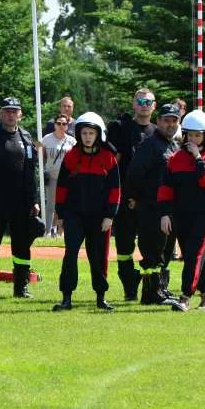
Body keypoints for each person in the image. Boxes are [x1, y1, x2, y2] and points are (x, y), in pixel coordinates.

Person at [0, 97, 41, 299]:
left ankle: (21, 287)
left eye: (14, 111)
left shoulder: (27, 138)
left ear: (20, 114)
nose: (11, 115)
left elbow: (32, 173)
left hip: (21, 203)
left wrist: (35, 200)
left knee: (21, 246)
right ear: (0, 113)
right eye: (7, 111)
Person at [51, 113, 120, 312]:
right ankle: (66, 298)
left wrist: (110, 215)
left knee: (97, 257)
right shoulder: (71, 156)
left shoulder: (108, 157)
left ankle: (101, 297)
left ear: (98, 134)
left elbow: (115, 190)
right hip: (74, 215)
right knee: (70, 253)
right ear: (78, 134)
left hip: (99, 217)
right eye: (84, 133)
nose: (87, 136)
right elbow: (62, 187)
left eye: (91, 133)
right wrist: (61, 214)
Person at [159, 109, 205, 311]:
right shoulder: (174, 158)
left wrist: (198, 157)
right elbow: (166, 188)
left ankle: (185, 297)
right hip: (180, 214)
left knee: (193, 255)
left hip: (204, 214)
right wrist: (165, 212)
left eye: (197, 135)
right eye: (189, 134)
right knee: (194, 256)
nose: (192, 139)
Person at [125, 103, 180, 305]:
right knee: (152, 252)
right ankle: (151, 293)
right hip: (151, 208)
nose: (170, 124)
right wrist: (136, 199)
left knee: (165, 252)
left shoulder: (173, 145)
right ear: (158, 122)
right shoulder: (150, 145)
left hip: (169, 209)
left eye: (174, 120)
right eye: (166, 120)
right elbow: (134, 174)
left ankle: (160, 290)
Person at [108, 88, 157, 300]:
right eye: (140, 100)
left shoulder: (159, 131)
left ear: (154, 106)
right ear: (133, 103)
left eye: (148, 101)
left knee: (151, 246)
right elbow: (112, 162)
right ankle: (129, 286)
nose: (144, 104)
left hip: (150, 200)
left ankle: (151, 289)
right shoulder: (122, 127)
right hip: (126, 198)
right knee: (125, 246)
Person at [40, 114, 78, 236]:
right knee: (50, 204)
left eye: (64, 124)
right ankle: (47, 231)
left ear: (67, 126)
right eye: (59, 123)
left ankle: (60, 231)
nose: (61, 126)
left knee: (65, 204)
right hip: (51, 175)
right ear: (54, 125)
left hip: (67, 178)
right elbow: (41, 155)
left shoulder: (72, 141)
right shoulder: (46, 139)